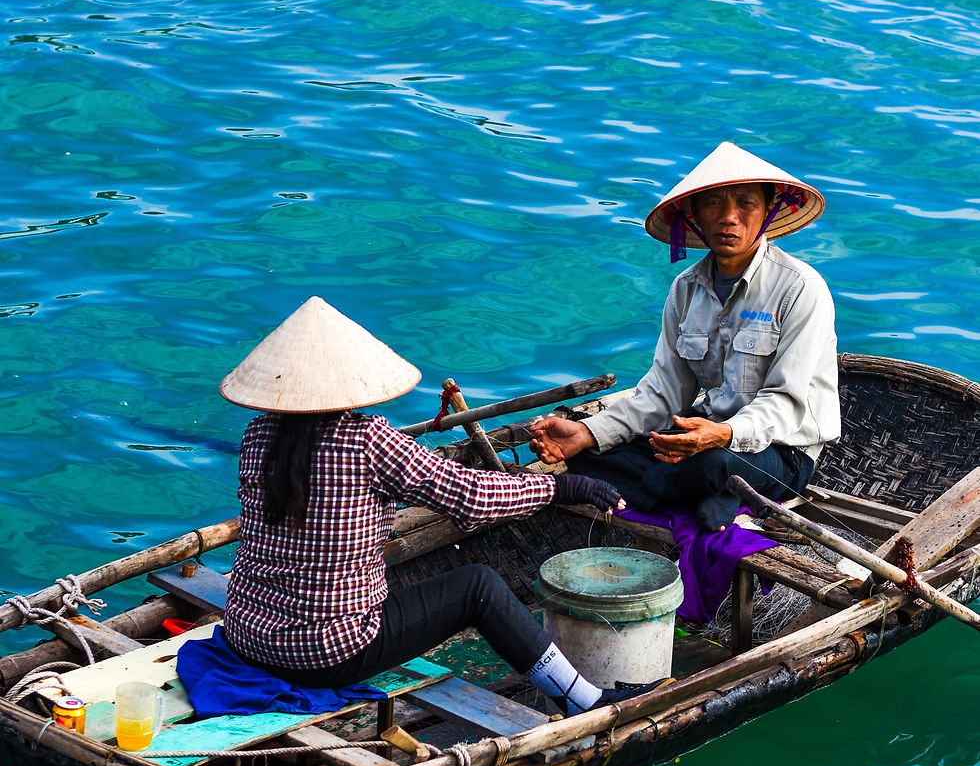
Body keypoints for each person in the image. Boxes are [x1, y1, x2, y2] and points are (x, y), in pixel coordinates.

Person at [217, 295, 634, 716]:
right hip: (324, 658)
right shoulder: (367, 440)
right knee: (479, 586)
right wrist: (562, 488)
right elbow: (472, 497)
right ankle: (586, 701)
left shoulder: (257, 436)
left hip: (248, 636)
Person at [530, 141, 841, 533]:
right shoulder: (685, 289)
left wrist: (723, 434)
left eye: (745, 203)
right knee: (587, 455)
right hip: (703, 434)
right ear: (693, 216)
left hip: (779, 450)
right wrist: (589, 433)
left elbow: (785, 402)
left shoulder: (801, 288)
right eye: (714, 204)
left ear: (767, 211)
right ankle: (705, 496)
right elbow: (663, 392)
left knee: (714, 464)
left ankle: (684, 487)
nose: (729, 218)